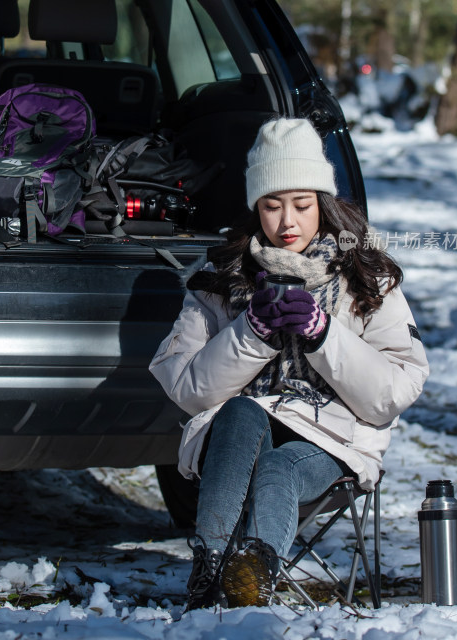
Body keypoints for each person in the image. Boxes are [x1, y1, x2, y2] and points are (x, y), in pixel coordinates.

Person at [149, 118, 428, 611]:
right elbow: (186, 388)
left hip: (334, 439)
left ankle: (252, 574)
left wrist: (323, 334)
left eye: (302, 205)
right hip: (237, 437)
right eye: (271, 206)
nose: (287, 222)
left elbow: (394, 392)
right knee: (241, 411)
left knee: (281, 468)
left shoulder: (366, 276)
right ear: (255, 206)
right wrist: (251, 333)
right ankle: (211, 565)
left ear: (323, 202)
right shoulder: (218, 278)